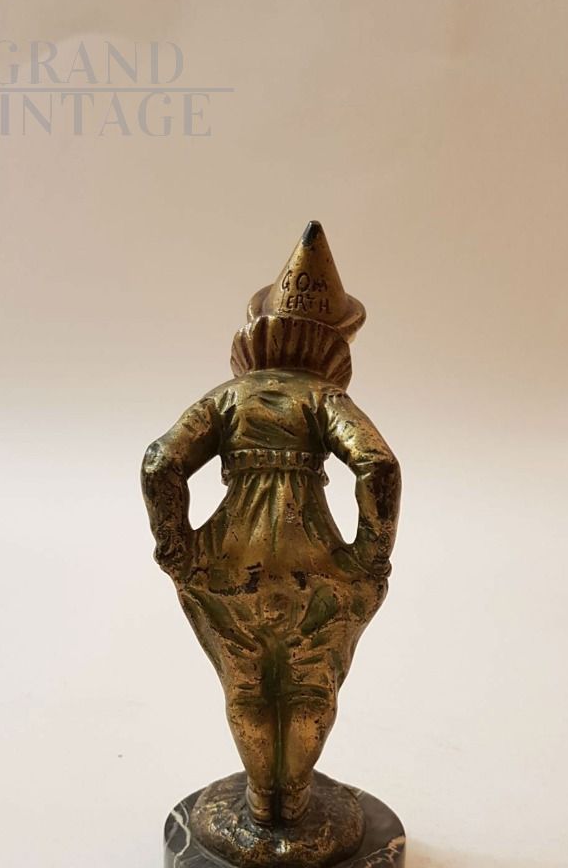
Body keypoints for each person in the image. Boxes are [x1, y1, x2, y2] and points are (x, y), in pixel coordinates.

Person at [142, 222, 401, 828]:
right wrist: (370, 556)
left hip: (227, 565)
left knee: (247, 686)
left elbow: (160, 463)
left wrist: (178, 547)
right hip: (317, 570)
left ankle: (262, 801)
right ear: (333, 345)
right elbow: (378, 466)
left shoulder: (227, 398)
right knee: (310, 685)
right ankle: (296, 796)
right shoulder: (324, 400)